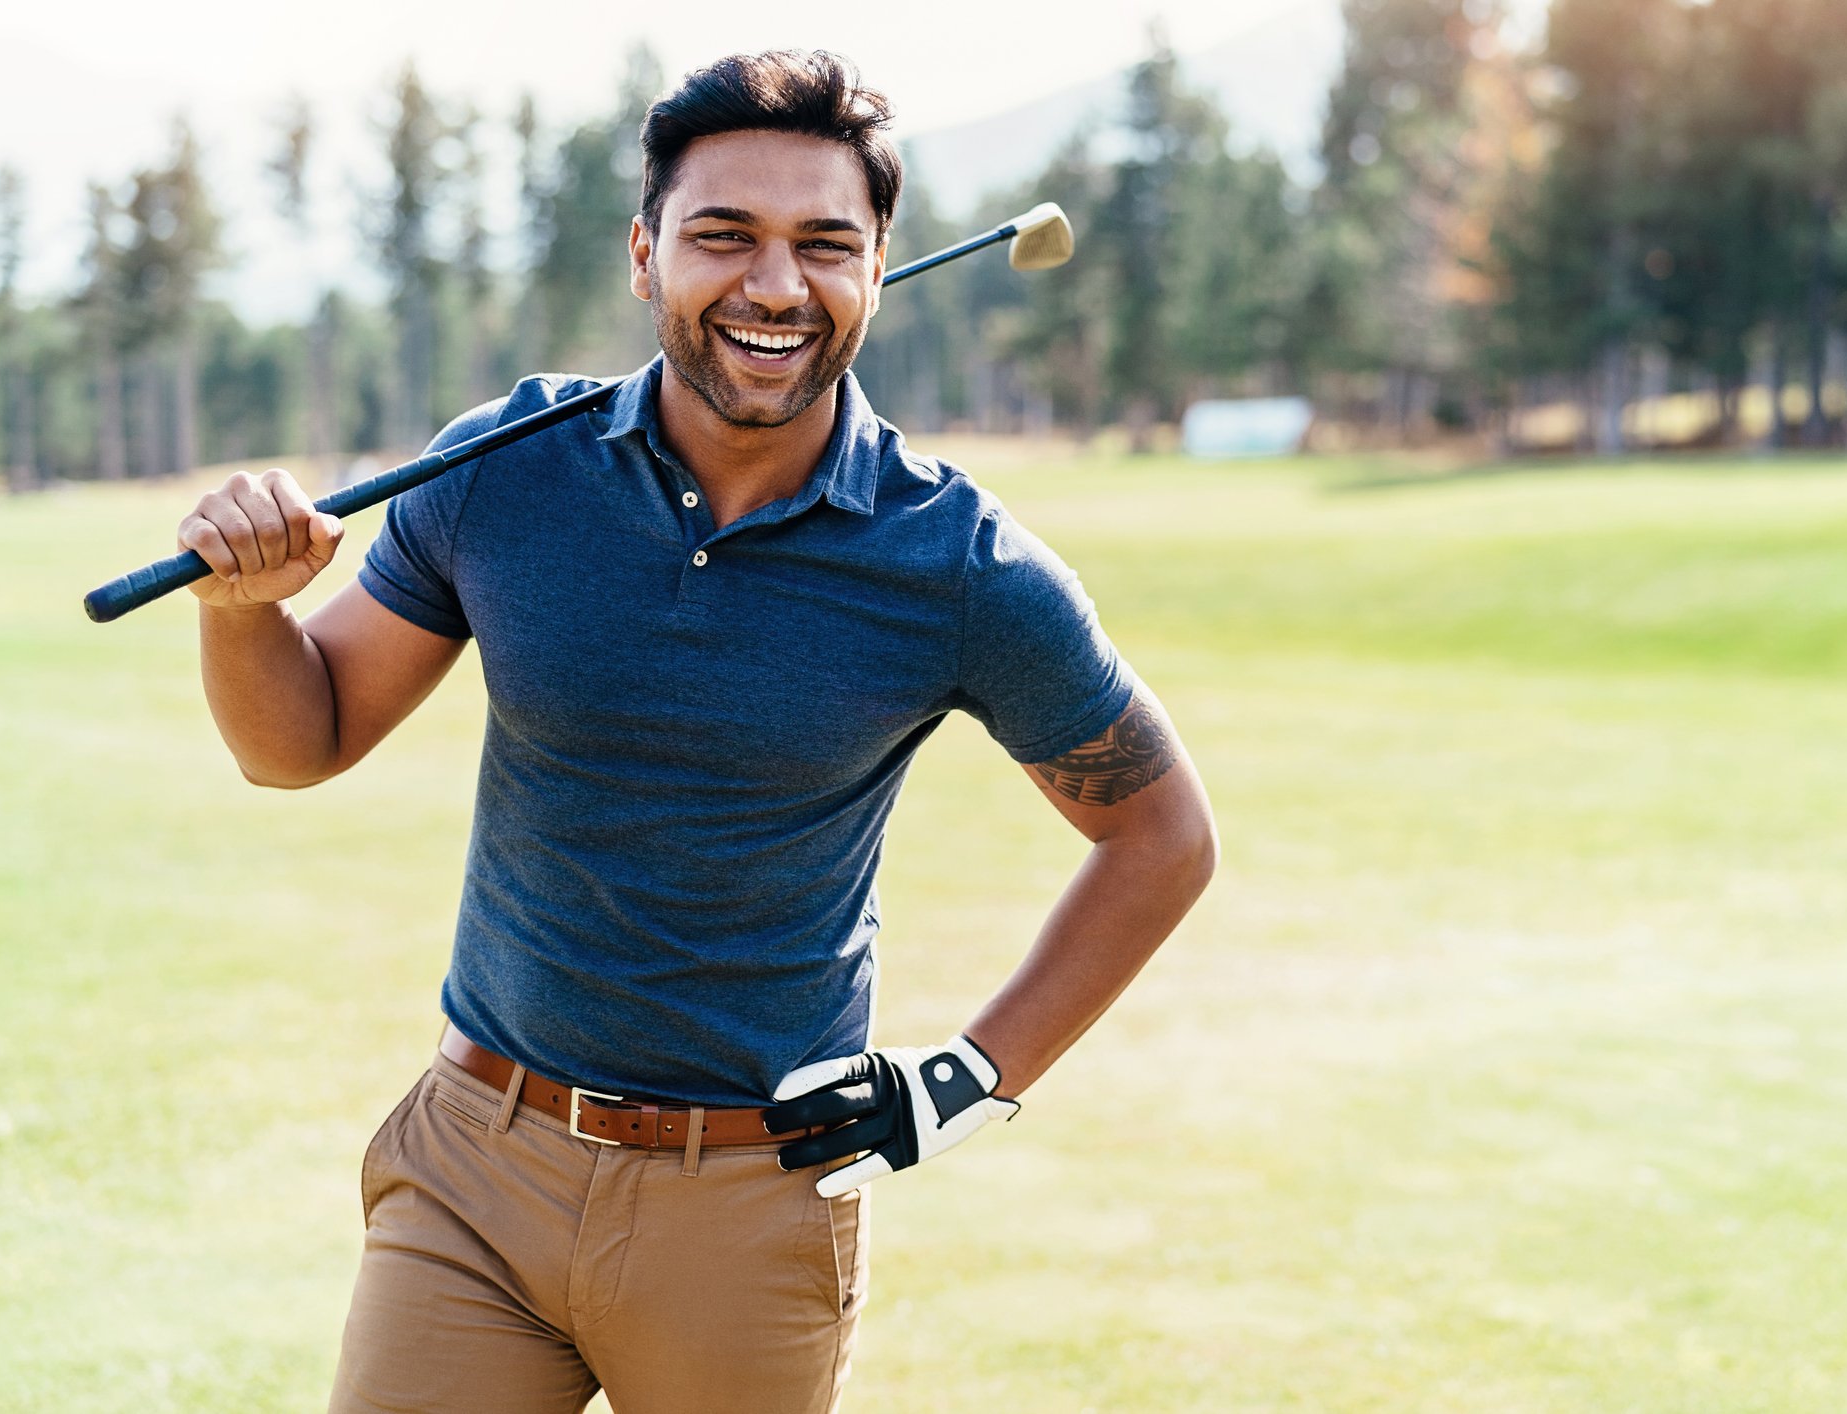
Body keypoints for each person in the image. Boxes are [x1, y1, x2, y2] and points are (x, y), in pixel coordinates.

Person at [175, 49, 1217, 1414]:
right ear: (644, 256)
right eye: (723, 236)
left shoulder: (956, 561)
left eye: (822, 245)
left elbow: (1160, 831)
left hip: (749, 1203)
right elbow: (296, 740)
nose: (775, 285)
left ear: (876, 265)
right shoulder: (506, 465)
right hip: (475, 1172)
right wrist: (245, 612)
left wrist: (968, 1076)